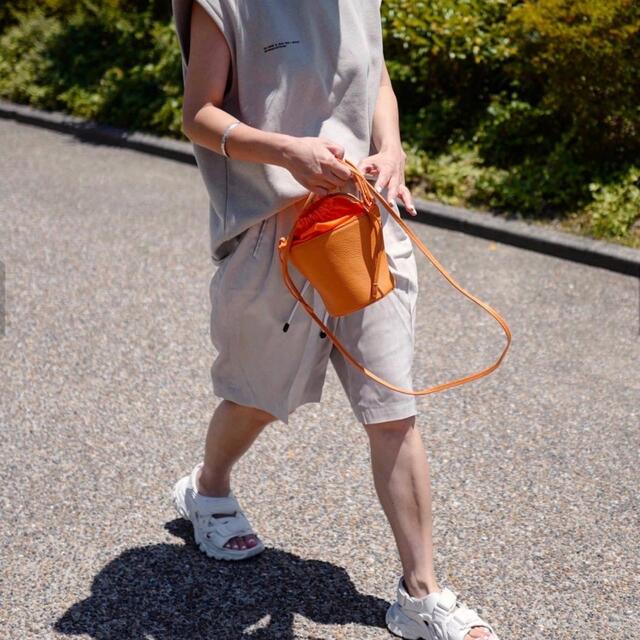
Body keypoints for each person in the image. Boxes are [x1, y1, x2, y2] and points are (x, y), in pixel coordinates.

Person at [170, 1, 499, 638]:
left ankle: (421, 593)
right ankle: (207, 489)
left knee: (392, 405)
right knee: (258, 398)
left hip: (362, 223)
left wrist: (393, 147)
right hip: (274, 234)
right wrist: (286, 151)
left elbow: (375, 77)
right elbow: (199, 115)